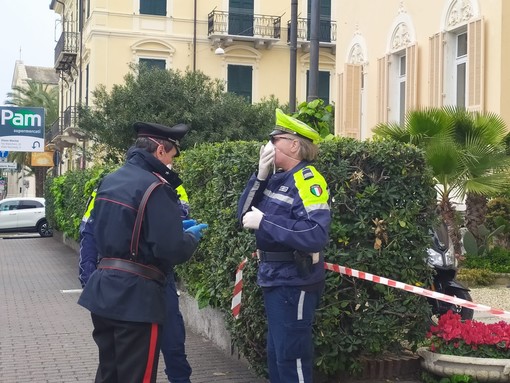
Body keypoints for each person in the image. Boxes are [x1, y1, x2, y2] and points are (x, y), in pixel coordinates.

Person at [78, 121, 208, 383]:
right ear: (160, 150)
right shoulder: (157, 187)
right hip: (137, 298)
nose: (172, 164)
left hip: (104, 291)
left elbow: (108, 229)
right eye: (172, 156)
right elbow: (170, 249)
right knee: (137, 376)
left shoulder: (110, 180)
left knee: (109, 374)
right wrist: (189, 238)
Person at [237, 108, 331, 383]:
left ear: (293, 144)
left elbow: (315, 232)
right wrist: (260, 174)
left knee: (292, 358)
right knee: (277, 356)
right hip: (274, 278)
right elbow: (243, 214)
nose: (269, 146)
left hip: (295, 280)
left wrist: (265, 222)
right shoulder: (276, 178)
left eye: (275, 140)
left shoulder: (308, 180)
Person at [78, 184, 194, 383]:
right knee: (117, 355)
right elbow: (89, 232)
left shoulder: (173, 187)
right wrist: (88, 278)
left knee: (173, 344)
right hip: (122, 278)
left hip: (156, 277)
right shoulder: (109, 186)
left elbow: (174, 230)